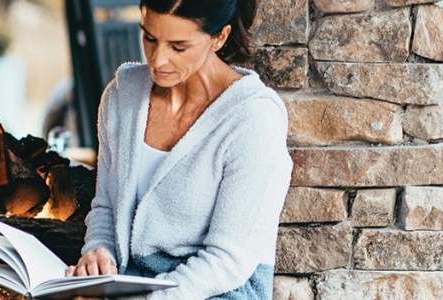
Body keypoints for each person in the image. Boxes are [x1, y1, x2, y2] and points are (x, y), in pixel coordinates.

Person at [66, 0, 292, 299]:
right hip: (132, 283)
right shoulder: (122, 98)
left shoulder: (253, 119)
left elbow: (227, 261)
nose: (157, 59)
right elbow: (106, 207)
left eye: (178, 46)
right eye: (149, 38)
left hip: (218, 291)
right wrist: (98, 254)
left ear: (219, 37)